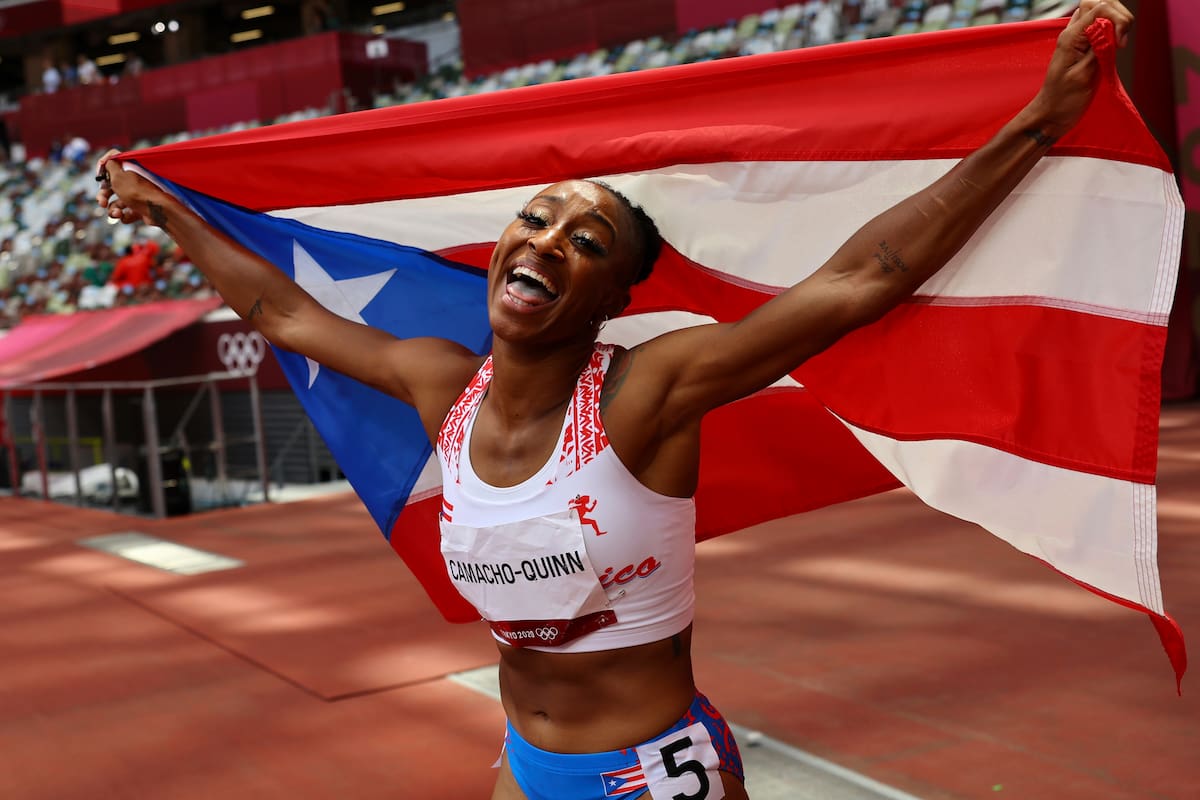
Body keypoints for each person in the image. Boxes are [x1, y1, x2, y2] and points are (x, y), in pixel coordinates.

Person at [95, 3, 1132, 797]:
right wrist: (167, 210)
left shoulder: (645, 393)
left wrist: (1035, 123)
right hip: (523, 760)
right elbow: (280, 313)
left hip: (648, 772)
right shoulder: (437, 383)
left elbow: (860, 280)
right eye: (537, 218)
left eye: (585, 242)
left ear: (614, 296)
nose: (547, 240)